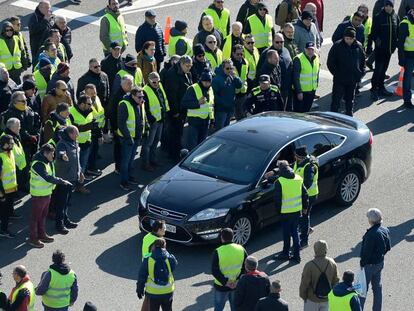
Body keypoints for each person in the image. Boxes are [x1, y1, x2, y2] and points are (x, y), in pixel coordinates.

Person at [29, 144, 71, 248]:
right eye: (52, 154)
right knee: (35, 217)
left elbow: (52, 175)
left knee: (43, 216)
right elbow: (47, 177)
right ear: (45, 153)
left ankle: (42, 234)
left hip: (46, 193)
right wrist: (62, 181)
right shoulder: (38, 164)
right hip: (38, 195)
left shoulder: (48, 161)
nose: (53, 156)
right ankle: (33, 238)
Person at [266, 160, 308, 263]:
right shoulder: (298, 178)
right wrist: (305, 208)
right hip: (297, 211)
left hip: (285, 212)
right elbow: (305, 194)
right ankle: (297, 255)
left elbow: (277, 199)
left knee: (286, 234)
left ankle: (285, 253)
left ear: (280, 170)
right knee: (295, 233)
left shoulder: (279, 182)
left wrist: (278, 211)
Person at [328, 27, 365, 116]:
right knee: (336, 100)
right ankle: (333, 118)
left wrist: (360, 73)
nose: (348, 41)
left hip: (352, 80)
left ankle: (349, 117)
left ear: (354, 38)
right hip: (340, 79)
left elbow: (363, 61)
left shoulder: (358, 46)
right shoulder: (337, 46)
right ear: (344, 37)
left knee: (350, 101)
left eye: (351, 39)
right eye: (347, 38)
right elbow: (330, 62)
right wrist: (337, 74)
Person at [359, 208, 391, 310]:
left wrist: (362, 263)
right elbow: (388, 247)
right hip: (379, 263)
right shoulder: (385, 230)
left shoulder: (371, 234)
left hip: (369, 266)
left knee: (363, 289)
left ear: (371, 220)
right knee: (377, 288)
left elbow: (366, 252)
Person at [163, 55, 193, 161]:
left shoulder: (185, 72)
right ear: (181, 64)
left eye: (190, 66)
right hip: (176, 110)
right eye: (187, 66)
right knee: (174, 132)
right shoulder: (173, 75)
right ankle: (173, 154)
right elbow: (172, 95)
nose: (189, 68)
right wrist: (175, 111)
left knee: (178, 132)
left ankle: (175, 150)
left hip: (182, 107)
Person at [54, 126, 83, 234]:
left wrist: (80, 172)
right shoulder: (62, 143)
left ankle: (66, 220)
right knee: (61, 203)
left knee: (67, 202)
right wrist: (63, 156)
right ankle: (59, 224)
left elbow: (77, 159)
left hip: (72, 177)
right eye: (76, 134)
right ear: (70, 134)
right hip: (64, 179)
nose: (77, 136)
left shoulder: (74, 142)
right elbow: (60, 153)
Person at [117, 87, 146, 190]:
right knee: (125, 161)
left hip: (137, 137)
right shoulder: (124, 104)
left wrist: (145, 130)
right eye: (139, 97)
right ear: (133, 96)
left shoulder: (140, 103)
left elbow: (142, 117)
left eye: (142, 96)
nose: (141, 98)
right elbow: (121, 124)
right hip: (127, 139)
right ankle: (123, 182)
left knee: (131, 160)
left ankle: (129, 177)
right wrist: (128, 138)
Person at [212, 228, 248, 311]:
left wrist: (226, 282)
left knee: (218, 308)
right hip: (236, 285)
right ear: (233, 237)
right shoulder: (241, 249)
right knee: (235, 307)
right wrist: (237, 280)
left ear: (222, 238)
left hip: (221, 286)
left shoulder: (218, 251)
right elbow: (246, 267)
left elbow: (215, 271)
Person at [137, 238, 177, 311]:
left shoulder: (148, 259)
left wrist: (139, 290)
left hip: (153, 293)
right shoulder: (170, 258)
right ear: (164, 246)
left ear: (154, 246)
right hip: (168, 291)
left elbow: (142, 276)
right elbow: (174, 266)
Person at [370, 0, 399, 101]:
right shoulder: (379, 17)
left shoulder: (395, 16)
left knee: (384, 69)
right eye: (386, 5)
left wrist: (395, 44)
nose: (387, 7)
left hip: (390, 50)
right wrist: (378, 42)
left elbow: (397, 31)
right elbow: (373, 33)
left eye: (389, 5)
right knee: (378, 69)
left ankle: (381, 87)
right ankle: (373, 89)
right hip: (380, 50)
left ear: (392, 6)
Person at [299, 240, 340, 310]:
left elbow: (304, 284)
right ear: (326, 249)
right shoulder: (332, 263)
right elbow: (336, 281)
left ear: (315, 249)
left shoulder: (309, 265)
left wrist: (304, 296)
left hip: (312, 299)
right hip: (326, 299)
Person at [142, 72, 169, 171]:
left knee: (156, 141)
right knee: (148, 144)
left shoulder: (159, 86)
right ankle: (146, 163)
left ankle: (153, 159)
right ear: (149, 81)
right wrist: (151, 119)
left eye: (158, 81)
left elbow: (163, 99)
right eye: (154, 82)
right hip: (153, 122)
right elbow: (145, 108)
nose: (157, 84)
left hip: (160, 119)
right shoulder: (145, 91)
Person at [257, 33, 293, 106]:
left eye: (282, 42)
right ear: (273, 41)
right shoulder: (266, 53)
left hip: (287, 88)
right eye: (277, 42)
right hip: (273, 92)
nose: (280, 44)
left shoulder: (286, 50)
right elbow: (259, 73)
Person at [182, 71, 215, 150]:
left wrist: (212, 119)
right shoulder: (192, 88)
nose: (207, 83)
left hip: (206, 121)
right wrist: (198, 103)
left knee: (202, 145)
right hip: (194, 121)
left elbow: (211, 105)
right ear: (201, 80)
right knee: (193, 145)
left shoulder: (210, 89)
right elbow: (184, 103)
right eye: (205, 81)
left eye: (209, 82)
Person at [69, 95, 95, 187]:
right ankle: (70, 186)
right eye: (89, 104)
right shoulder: (71, 112)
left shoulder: (90, 111)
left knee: (82, 167)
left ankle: (79, 186)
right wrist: (89, 126)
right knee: (73, 168)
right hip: (74, 145)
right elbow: (72, 129)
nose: (91, 106)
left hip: (86, 143)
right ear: (82, 104)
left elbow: (90, 127)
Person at [110, 74, 133, 173]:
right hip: (119, 128)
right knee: (119, 148)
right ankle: (118, 167)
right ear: (122, 84)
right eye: (129, 84)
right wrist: (115, 128)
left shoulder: (127, 94)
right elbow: (112, 113)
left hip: (124, 127)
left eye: (131, 83)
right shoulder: (118, 96)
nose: (131, 85)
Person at [212, 59, 243, 129]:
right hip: (221, 110)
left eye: (231, 68)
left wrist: (235, 77)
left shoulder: (231, 77)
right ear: (223, 68)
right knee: (219, 130)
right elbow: (214, 95)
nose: (229, 70)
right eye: (227, 68)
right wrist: (223, 104)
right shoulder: (217, 79)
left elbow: (239, 85)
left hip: (230, 108)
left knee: (226, 129)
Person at [292, 41, 320, 113]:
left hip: (311, 91)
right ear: (305, 49)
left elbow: (317, 72)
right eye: (308, 49)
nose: (310, 51)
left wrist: (316, 86)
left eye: (312, 49)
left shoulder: (316, 57)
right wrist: (299, 92)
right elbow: (295, 77)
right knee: (299, 113)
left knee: (307, 112)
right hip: (302, 92)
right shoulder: (298, 59)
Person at [84, 84, 105, 177]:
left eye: (95, 92)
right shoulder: (85, 103)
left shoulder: (96, 98)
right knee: (90, 153)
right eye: (91, 93)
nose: (94, 95)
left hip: (97, 130)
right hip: (91, 132)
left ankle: (91, 167)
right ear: (86, 93)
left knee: (94, 151)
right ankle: (89, 170)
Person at [0, 134, 17, 238]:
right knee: (4, 213)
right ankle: (3, 230)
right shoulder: (1, 157)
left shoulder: (10, 153)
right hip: (4, 192)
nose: (13, 145)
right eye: (11, 143)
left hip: (11, 189)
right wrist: (1, 194)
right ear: (5, 144)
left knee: (6, 212)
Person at [1, 118, 27, 186]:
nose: (20, 128)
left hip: (20, 169)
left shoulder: (15, 135)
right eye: (18, 126)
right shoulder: (4, 138)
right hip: (14, 169)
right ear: (12, 127)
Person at [398, 8, 414, 108]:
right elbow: (400, 43)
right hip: (409, 56)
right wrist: (401, 59)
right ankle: (407, 100)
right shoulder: (405, 23)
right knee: (407, 79)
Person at [231, 44, 249, 120]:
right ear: (233, 53)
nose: (240, 56)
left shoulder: (245, 62)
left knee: (244, 117)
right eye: (237, 54)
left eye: (241, 54)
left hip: (243, 94)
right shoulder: (229, 64)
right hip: (234, 95)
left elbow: (246, 77)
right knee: (237, 117)